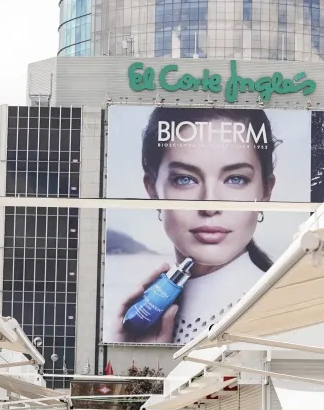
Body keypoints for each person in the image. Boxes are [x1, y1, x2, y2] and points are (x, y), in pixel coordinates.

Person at [117, 107, 280, 345]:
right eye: (185, 179)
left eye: (236, 179)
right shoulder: (148, 312)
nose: (210, 206)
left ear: (265, 190)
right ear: (152, 188)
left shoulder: (276, 307)